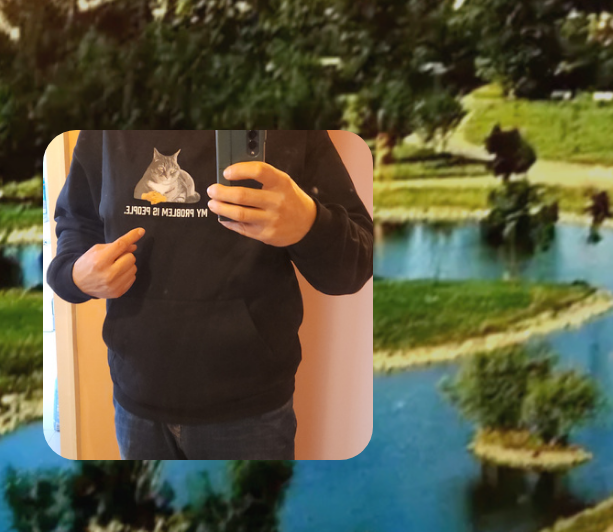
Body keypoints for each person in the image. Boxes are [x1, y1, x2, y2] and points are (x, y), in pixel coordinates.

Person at [46, 130, 373, 460]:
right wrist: (73, 275)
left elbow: (357, 265)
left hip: (250, 410)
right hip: (136, 400)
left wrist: (309, 225)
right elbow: (77, 220)